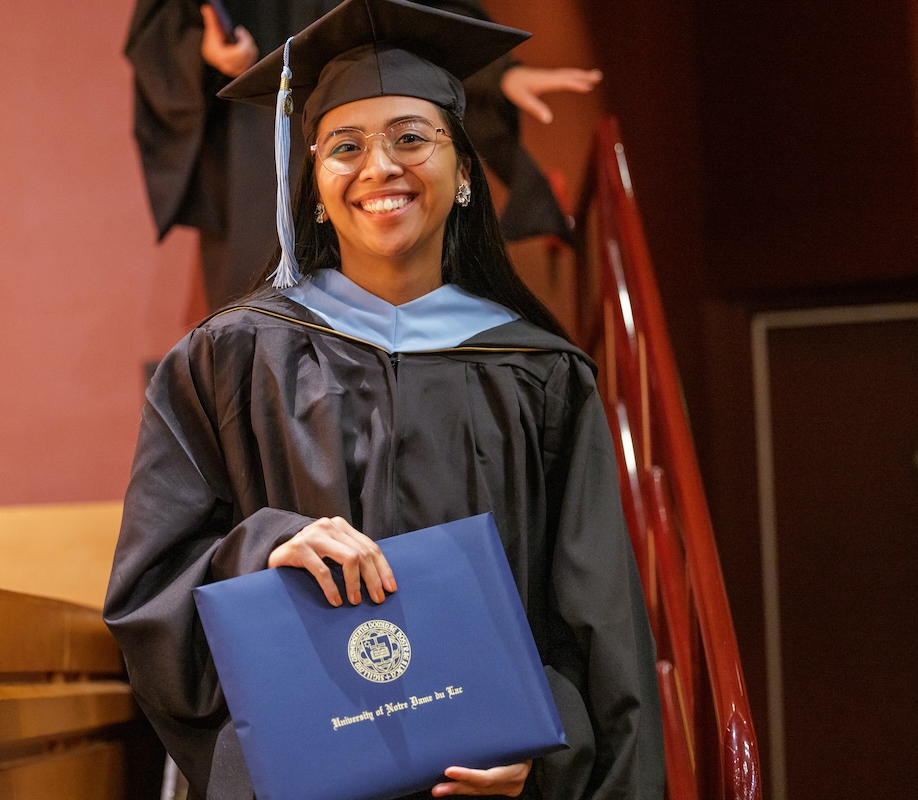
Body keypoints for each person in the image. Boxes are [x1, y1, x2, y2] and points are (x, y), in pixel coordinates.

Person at [105, 1, 663, 797]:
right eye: (345, 146)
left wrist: (547, 750)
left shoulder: (540, 374)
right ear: (315, 181)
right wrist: (263, 547)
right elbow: (147, 592)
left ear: (465, 171)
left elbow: (599, 626)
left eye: (411, 137)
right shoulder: (228, 360)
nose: (379, 168)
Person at [125, 0, 600, 309]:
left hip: (374, 125)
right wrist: (205, 51)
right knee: (270, 333)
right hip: (260, 151)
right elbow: (161, 29)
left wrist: (496, 74)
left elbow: (421, 14)